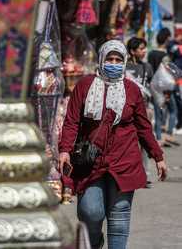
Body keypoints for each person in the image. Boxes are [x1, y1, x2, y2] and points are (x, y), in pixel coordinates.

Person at [59, 40, 167, 249]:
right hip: (91, 163)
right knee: (90, 211)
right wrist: (64, 150)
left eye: (118, 60)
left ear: (125, 61)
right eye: (110, 59)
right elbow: (71, 121)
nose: (114, 63)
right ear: (101, 59)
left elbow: (144, 127)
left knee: (119, 217)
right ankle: (95, 240)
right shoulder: (85, 85)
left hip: (124, 161)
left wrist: (158, 157)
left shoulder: (132, 90)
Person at [126, 37, 154, 188]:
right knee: (130, 142)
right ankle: (130, 174)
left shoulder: (147, 67)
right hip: (128, 110)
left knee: (145, 141)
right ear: (132, 51)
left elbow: (151, 87)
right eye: (141, 48)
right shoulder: (124, 67)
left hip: (144, 109)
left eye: (145, 48)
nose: (144, 51)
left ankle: (144, 174)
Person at [148, 28, 178, 146]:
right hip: (165, 87)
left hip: (155, 87)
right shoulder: (166, 55)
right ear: (166, 39)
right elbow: (168, 73)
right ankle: (169, 134)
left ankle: (159, 137)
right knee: (172, 110)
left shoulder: (151, 54)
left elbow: (150, 70)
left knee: (158, 113)